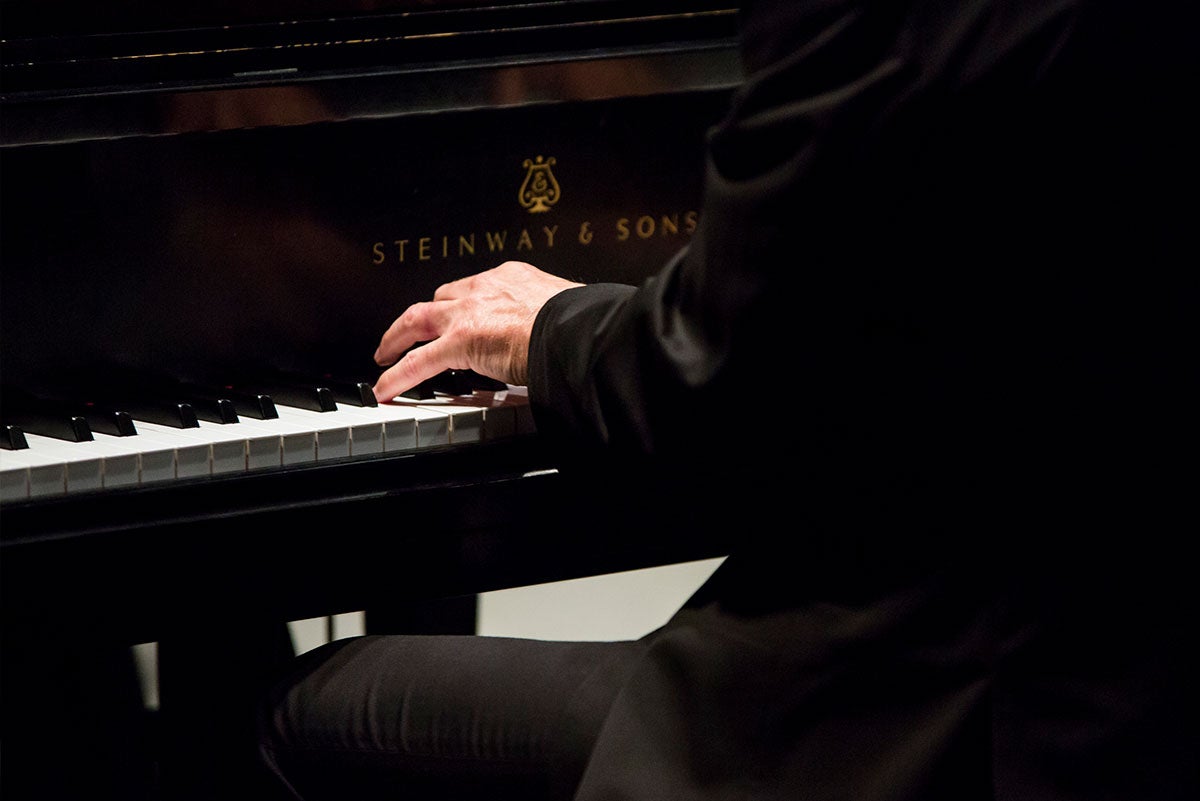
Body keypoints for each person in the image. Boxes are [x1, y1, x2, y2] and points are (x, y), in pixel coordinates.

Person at [255, 1, 1197, 799]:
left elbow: (716, 386)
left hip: (952, 710)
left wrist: (551, 327)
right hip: (1134, 672)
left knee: (303, 707)